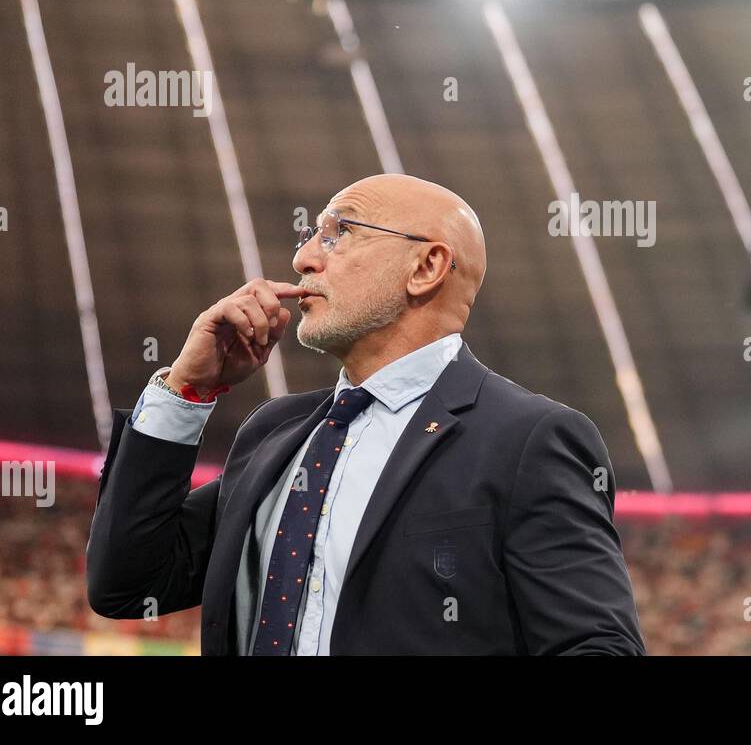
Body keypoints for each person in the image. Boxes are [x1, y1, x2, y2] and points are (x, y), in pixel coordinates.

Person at [87, 174, 645, 655]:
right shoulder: (274, 433)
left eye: (340, 233)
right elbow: (128, 583)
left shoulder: (527, 440)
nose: (304, 258)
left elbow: (597, 647)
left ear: (425, 267)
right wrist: (185, 390)